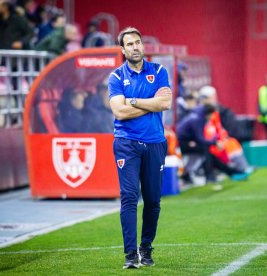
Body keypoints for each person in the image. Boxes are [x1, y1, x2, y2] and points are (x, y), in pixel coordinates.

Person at [108, 27, 172, 269]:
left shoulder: (159, 71)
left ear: (142, 46)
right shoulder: (116, 77)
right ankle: (130, 255)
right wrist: (151, 104)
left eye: (138, 42)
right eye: (130, 44)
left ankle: (146, 248)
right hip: (127, 144)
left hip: (155, 143)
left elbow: (165, 102)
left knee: (153, 201)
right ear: (123, 50)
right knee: (129, 197)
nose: (135, 47)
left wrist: (132, 101)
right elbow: (119, 111)